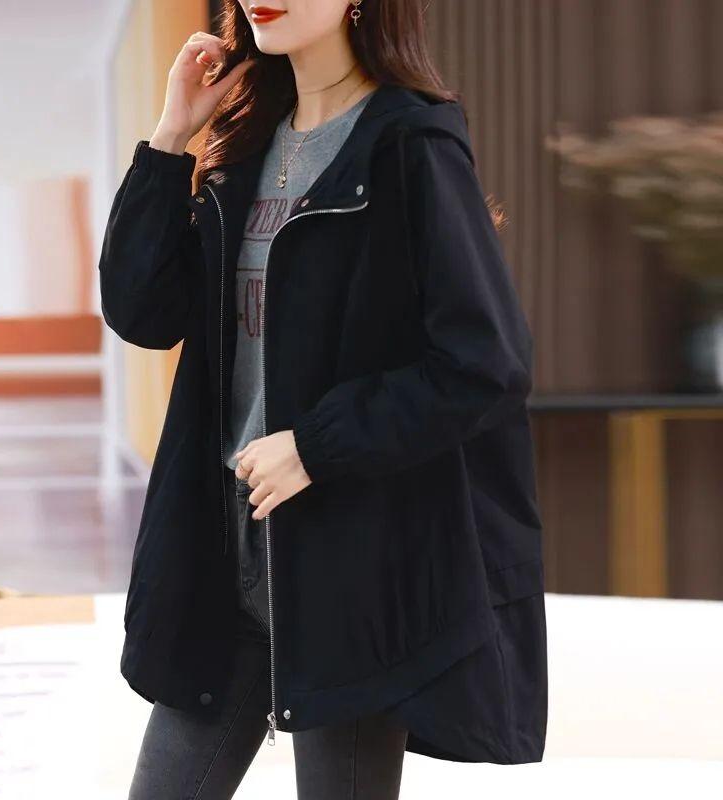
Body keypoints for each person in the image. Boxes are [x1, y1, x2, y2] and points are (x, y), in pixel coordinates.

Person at [100, 1, 548, 798]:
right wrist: (171, 138)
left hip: (345, 571)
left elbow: (486, 363)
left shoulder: (409, 141)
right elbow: (144, 312)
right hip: (226, 558)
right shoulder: (244, 145)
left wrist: (317, 446)